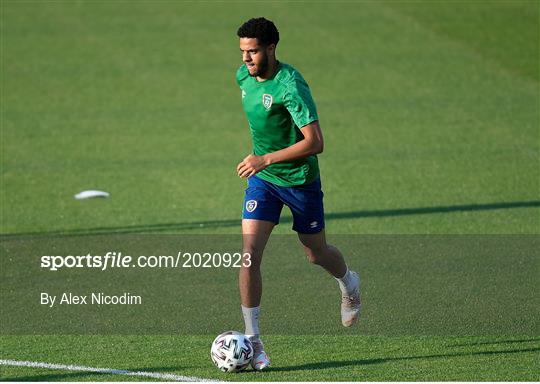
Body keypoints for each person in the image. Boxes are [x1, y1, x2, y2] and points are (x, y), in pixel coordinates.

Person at [235, 17, 360, 371]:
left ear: (271, 48)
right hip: (264, 181)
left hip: (300, 181)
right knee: (249, 254)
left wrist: (265, 158)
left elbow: (316, 142)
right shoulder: (243, 76)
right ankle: (254, 341)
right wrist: (263, 165)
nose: (246, 58)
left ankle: (349, 282)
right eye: (243, 51)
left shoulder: (291, 84)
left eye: (253, 51)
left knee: (316, 253)